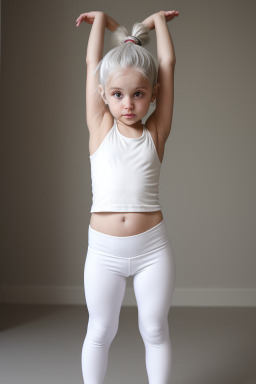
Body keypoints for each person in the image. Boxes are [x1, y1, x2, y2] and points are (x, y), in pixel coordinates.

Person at [76, 9, 179, 384]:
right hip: (103, 251)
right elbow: (92, 62)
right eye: (118, 95)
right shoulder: (100, 127)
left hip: (152, 248)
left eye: (138, 94)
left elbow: (166, 63)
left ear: (153, 95)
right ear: (103, 94)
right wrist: (103, 21)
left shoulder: (156, 133)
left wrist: (158, 22)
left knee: (154, 329)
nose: (128, 104)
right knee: (100, 330)